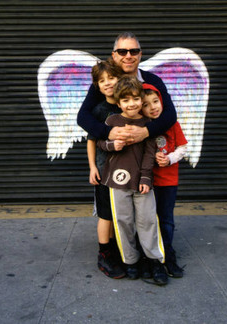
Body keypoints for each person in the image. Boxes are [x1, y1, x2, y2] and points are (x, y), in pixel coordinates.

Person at [97, 76, 168, 285]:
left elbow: (149, 152)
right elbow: (100, 142)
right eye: (126, 100)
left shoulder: (148, 124)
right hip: (117, 181)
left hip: (142, 181)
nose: (132, 104)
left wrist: (146, 176)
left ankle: (155, 260)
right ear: (119, 103)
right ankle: (131, 261)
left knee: (147, 221)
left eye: (135, 99)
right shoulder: (112, 121)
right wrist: (112, 145)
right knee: (123, 222)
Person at [77, 32, 177, 144]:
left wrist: (146, 131)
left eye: (134, 51)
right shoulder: (105, 85)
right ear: (114, 55)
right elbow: (83, 116)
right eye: (122, 52)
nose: (128, 56)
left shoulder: (153, 81)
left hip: (147, 153)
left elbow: (170, 114)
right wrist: (108, 132)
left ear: (140, 55)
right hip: (112, 156)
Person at [141, 83, 188, 278]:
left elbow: (183, 147)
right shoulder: (141, 127)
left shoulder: (172, 124)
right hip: (147, 182)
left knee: (166, 218)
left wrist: (170, 158)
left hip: (168, 181)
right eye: (146, 104)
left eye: (155, 101)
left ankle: (168, 253)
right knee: (147, 220)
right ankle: (149, 257)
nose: (153, 107)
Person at [86, 59, 125, 279]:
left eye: (111, 78)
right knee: (106, 214)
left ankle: (118, 248)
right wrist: (92, 167)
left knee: (122, 213)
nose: (108, 83)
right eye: (102, 81)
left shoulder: (126, 103)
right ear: (97, 86)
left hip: (126, 170)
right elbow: (91, 140)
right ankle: (104, 253)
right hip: (104, 169)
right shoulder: (99, 110)